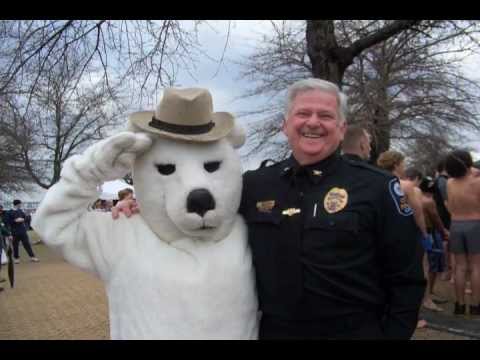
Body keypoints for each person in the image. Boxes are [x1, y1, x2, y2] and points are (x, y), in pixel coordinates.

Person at [113, 78, 426, 339]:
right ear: (285, 125)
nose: (314, 122)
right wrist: (140, 205)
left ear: (342, 128)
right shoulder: (252, 185)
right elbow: (203, 218)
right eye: (303, 114)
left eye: (326, 116)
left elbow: (406, 278)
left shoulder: (376, 187)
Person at [444, 149, 480, 317]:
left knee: (459, 267)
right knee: (475, 267)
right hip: (475, 223)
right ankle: (475, 305)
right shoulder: (476, 182)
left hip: (456, 224)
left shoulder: (449, 183)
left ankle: (459, 304)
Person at [419, 177, 449, 308]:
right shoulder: (428, 201)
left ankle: (429, 294)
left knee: (430, 265)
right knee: (430, 266)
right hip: (429, 233)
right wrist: (444, 232)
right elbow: (436, 219)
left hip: (425, 233)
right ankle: (426, 298)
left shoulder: (418, 198)